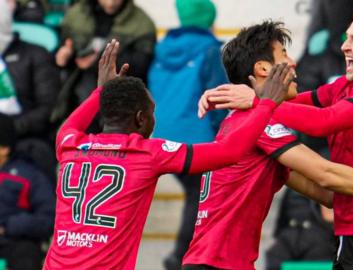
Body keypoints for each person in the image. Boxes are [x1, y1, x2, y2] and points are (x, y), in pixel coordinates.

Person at [186, 20, 353, 270]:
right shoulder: (259, 123)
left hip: (216, 261)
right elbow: (326, 174)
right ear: (264, 68)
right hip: (217, 263)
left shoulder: (244, 124)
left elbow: (330, 194)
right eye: (284, 55)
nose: (293, 62)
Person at [43, 39, 292, 270]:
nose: (154, 121)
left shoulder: (69, 144)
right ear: (141, 118)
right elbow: (231, 152)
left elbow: (70, 125)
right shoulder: (148, 153)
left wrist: (101, 92)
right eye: (152, 113)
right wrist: (267, 103)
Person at [147, 1, 228, 268]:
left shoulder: (162, 49)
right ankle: (183, 257)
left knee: (197, 194)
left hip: (160, 135)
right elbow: (218, 96)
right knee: (201, 196)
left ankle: (186, 255)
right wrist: (223, 135)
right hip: (197, 139)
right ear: (208, 19)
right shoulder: (211, 50)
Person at [52, 0, 156, 133]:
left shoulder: (142, 24)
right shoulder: (75, 15)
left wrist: (99, 62)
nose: (111, 3)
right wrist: (64, 55)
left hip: (120, 100)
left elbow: (141, 65)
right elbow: (63, 46)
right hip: (74, 93)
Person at [1, 0, 60, 180]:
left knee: (37, 153)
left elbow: (49, 109)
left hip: (26, 138)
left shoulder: (36, 55)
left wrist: (7, 131)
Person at [0, 113, 55, 270]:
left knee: (26, 253)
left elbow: (48, 218)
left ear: (4, 148)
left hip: (14, 243)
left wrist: (7, 226)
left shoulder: (30, 175)